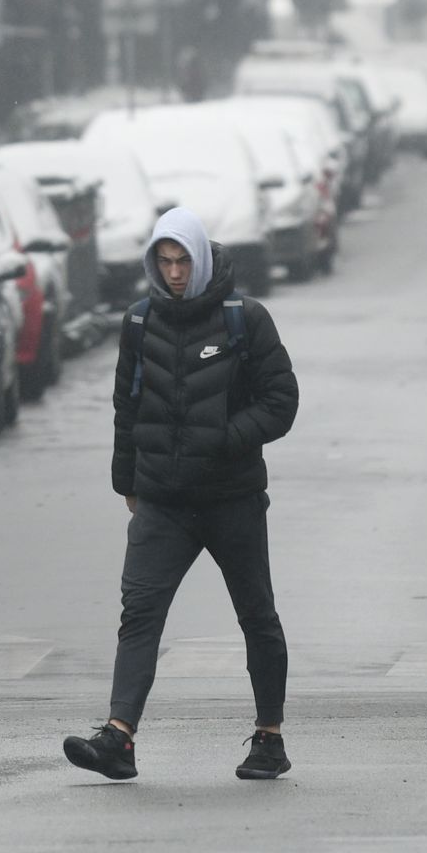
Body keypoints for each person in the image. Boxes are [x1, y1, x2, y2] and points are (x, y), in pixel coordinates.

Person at [64, 206, 298, 783]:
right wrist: (126, 482)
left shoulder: (246, 319)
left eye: (183, 261)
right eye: (164, 262)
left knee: (256, 615)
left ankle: (269, 737)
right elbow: (126, 405)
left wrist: (223, 437)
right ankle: (119, 738)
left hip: (232, 498)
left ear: (202, 260)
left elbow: (281, 402)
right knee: (139, 612)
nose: (173, 273)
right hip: (162, 502)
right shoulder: (139, 321)